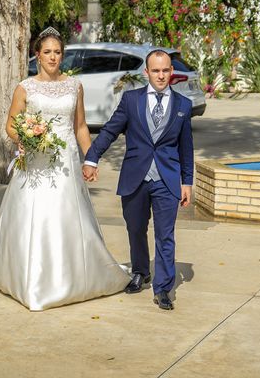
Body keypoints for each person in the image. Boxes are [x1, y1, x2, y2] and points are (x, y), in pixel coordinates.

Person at [0, 27, 130, 311]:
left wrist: (90, 158)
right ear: (37, 55)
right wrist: (27, 138)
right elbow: (10, 124)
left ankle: (73, 278)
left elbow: (80, 126)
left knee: (67, 216)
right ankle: (32, 281)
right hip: (34, 162)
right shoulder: (25, 87)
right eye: (47, 52)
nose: (53, 57)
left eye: (57, 52)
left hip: (66, 160)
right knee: (35, 216)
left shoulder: (74, 86)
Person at [83, 49, 194, 311]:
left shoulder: (183, 105)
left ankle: (163, 288)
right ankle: (141, 271)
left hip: (167, 180)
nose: (161, 75)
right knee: (135, 229)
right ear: (146, 72)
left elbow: (186, 148)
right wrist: (91, 158)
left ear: (171, 72)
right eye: (155, 70)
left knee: (165, 236)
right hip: (136, 177)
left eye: (166, 70)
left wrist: (186, 181)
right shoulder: (131, 100)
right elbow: (110, 130)